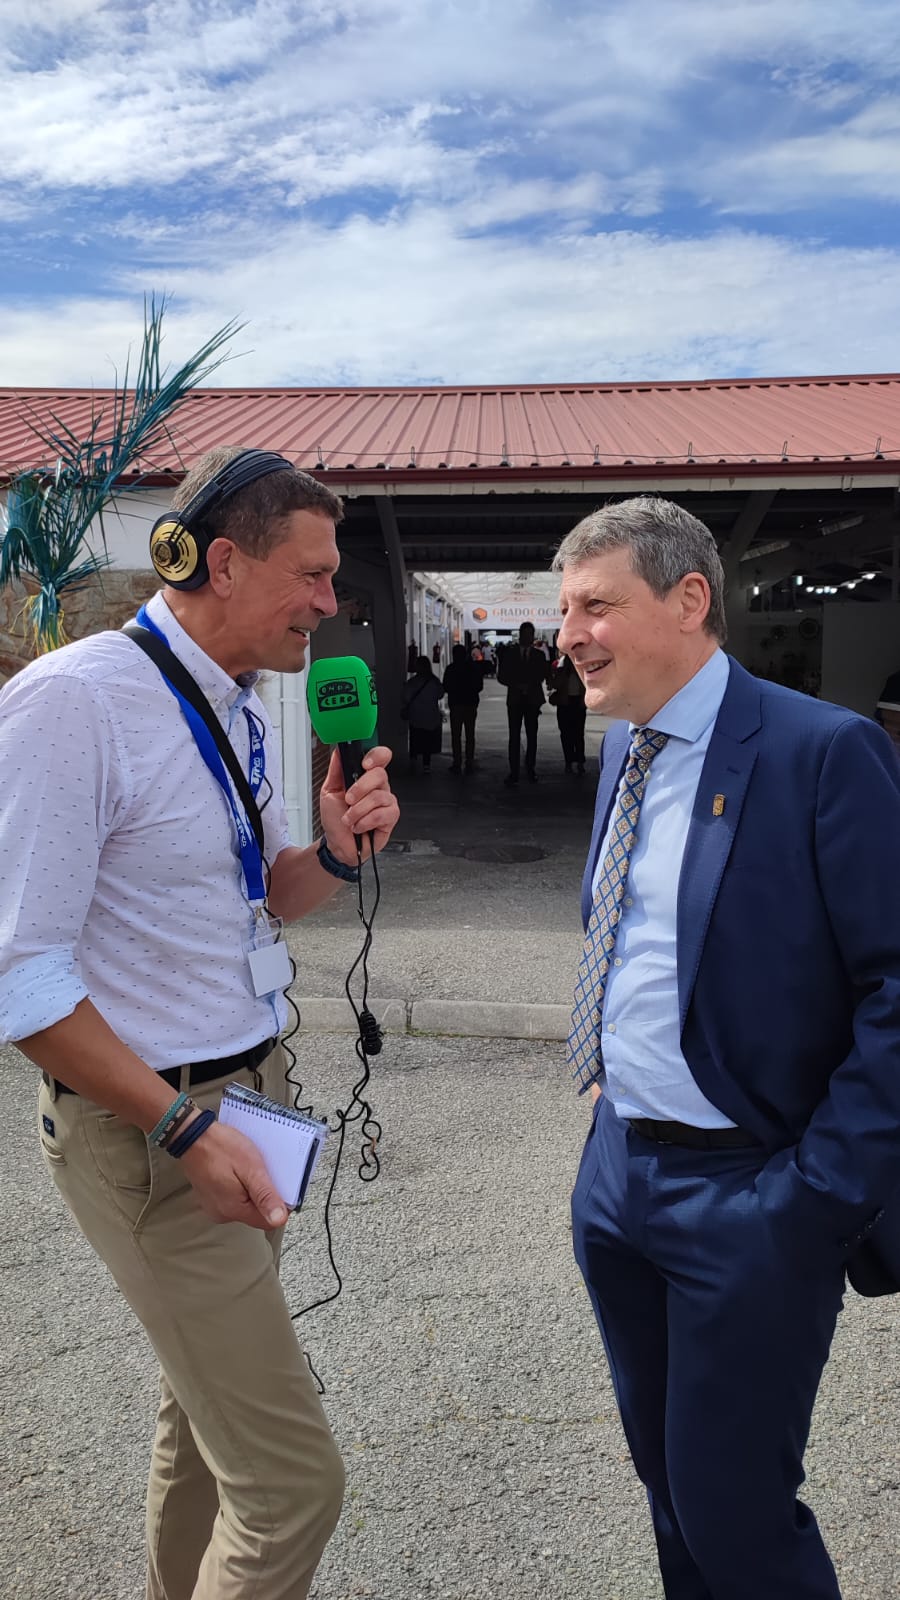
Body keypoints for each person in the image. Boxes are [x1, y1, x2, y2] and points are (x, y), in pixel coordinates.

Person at [0, 446, 400, 1600]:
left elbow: (266, 894)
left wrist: (332, 850)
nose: (332, 603)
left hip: (248, 1097)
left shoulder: (241, 701)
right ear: (225, 563)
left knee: (202, 1417)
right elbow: (21, 978)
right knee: (291, 1486)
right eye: (313, 576)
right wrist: (180, 1124)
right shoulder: (74, 703)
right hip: (157, 1126)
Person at [555, 495, 900, 1600]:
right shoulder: (627, 752)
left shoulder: (822, 750)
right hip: (619, 1179)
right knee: (669, 1494)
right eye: (567, 608)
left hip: (749, 1192)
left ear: (690, 598)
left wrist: (816, 1193)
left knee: (736, 1510)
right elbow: (643, 935)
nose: (569, 631)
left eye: (597, 604)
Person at [496, 620, 548, 785]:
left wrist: (529, 685)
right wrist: (516, 684)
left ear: (533, 636)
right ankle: (514, 772)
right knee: (514, 736)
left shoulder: (539, 655)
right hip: (515, 700)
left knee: (532, 736)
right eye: (525, 634)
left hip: (532, 700)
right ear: (520, 635)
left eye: (530, 634)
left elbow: (542, 674)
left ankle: (530, 768)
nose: (528, 637)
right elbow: (502, 676)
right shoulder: (509, 654)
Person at [442, 642, 482, 773]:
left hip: (456, 704)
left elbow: (446, 686)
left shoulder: (451, 669)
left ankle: (457, 761)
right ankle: (469, 761)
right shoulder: (473, 668)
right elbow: (479, 686)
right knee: (470, 735)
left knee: (456, 735)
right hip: (470, 704)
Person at [401, 653, 444, 771]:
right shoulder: (434, 681)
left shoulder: (413, 682)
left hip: (415, 716)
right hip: (430, 715)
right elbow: (440, 695)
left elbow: (405, 697)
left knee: (415, 738)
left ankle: (413, 761)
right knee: (427, 741)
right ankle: (426, 764)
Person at [548, 651, 586, 773]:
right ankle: (568, 761)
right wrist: (563, 673)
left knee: (578, 733)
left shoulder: (582, 670)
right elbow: (554, 684)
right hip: (565, 702)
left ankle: (580, 761)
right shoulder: (561, 668)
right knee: (565, 733)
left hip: (578, 702)